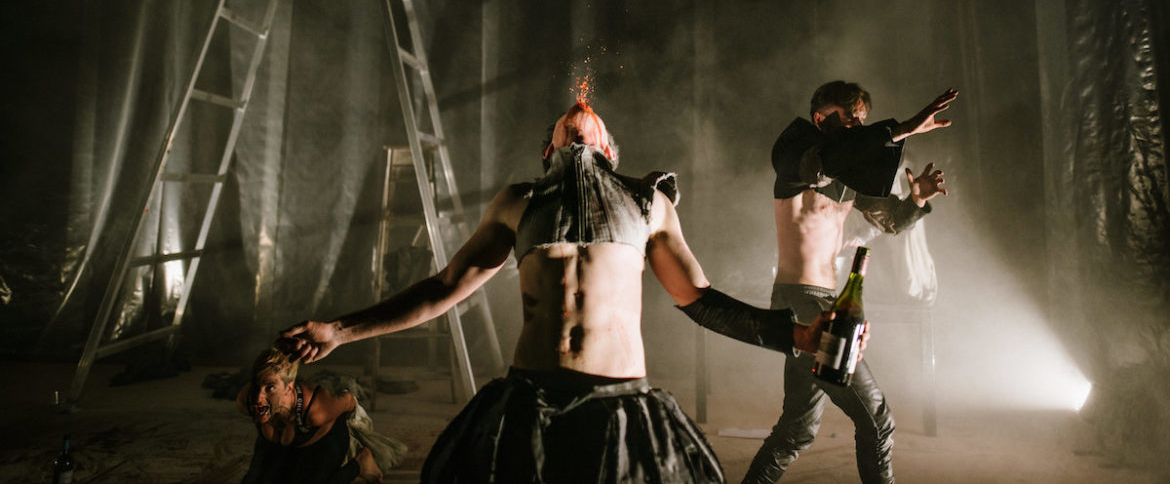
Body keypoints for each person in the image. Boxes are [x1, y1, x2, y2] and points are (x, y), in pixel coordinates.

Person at [281, 101, 852, 483]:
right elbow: (445, 287)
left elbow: (700, 300)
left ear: (608, 150)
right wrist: (338, 331)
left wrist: (795, 334)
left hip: (620, 404)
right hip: (530, 400)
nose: (579, 113)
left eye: (591, 118)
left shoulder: (647, 204)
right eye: (565, 119)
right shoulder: (519, 203)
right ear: (548, 151)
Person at [742, 81, 957, 484]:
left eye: (862, 117)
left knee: (797, 430)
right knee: (876, 418)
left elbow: (891, 221)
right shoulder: (795, 155)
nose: (859, 124)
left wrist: (917, 200)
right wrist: (906, 126)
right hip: (801, 300)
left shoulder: (847, 178)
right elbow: (825, 161)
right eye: (850, 117)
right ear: (821, 117)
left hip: (824, 300)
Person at [237, 346, 395, 483]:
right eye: (257, 385)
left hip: (324, 437)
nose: (258, 397)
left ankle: (360, 463)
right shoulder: (247, 400)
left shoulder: (317, 409)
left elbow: (348, 401)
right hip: (288, 443)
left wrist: (358, 431)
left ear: (288, 388)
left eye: (270, 388)